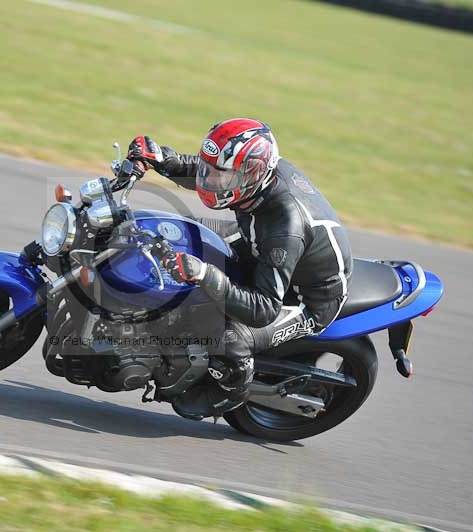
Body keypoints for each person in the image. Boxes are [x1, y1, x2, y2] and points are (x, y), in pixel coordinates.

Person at [126, 118, 353, 420]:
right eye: (212, 170)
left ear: (253, 174)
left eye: (222, 176)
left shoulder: (285, 224)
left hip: (307, 299)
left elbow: (264, 308)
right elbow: (210, 170)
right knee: (179, 234)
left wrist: (205, 274)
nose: (211, 181)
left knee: (231, 338)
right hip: (257, 242)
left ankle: (230, 391)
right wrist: (163, 159)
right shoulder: (250, 179)